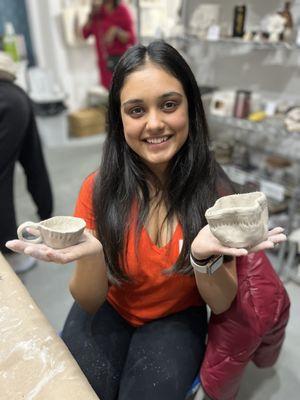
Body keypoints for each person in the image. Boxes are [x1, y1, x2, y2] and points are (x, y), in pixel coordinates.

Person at [6, 41, 289, 400]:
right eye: (136, 110)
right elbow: (90, 300)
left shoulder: (214, 193)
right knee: (77, 390)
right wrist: (93, 256)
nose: (154, 124)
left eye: (169, 105)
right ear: (119, 117)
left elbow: (219, 303)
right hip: (111, 305)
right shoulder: (98, 189)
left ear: (191, 107)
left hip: (175, 317)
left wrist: (203, 259)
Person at [0, 51, 53, 273]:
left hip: (7, 96)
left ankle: (9, 249)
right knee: (31, 159)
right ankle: (46, 219)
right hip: (13, 94)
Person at [78, 0, 136, 89]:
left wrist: (116, 31)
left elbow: (132, 39)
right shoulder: (98, 12)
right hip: (104, 63)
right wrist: (91, 15)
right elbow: (85, 34)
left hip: (120, 61)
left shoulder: (122, 10)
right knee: (109, 91)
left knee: (122, 90)